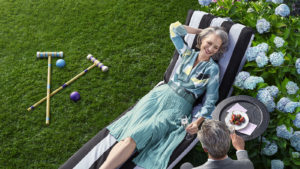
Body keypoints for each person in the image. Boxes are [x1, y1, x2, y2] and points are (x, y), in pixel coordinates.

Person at [99, 21, 229, 169]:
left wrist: (197, 122)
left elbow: (211, 99)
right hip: (158, 96)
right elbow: (174, 29)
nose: (210, 48)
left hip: (178, 108)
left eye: (216, 47)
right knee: (129, 135)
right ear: (202, 40)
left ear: (219, 50)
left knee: (136, 136)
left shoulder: (212, 69)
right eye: (209, 42)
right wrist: (202, 31)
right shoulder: (187, 54)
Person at [180, 120, 254, 169]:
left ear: (205, 149)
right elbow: (245, 163)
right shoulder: (247, 165)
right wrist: (240, 149)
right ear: (229, 144)